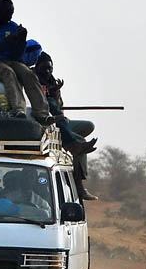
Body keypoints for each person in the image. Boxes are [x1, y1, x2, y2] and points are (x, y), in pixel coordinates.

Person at [0, 0, 53, 124]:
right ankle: (18, 109)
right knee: (8, 72)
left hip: (11, 60)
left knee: (28, 73)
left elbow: (17, 56)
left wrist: (21, 41)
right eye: (8, 13)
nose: (10, 17)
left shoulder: (13, 26)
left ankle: (42, 113)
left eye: (12, 13)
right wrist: (4, 42)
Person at [33, 51, 99, 201]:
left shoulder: (52, 80)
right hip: (43, 123)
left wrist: (55, 92)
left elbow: (59, 107)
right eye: (44, 68)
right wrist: (48, 93)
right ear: (37, 67)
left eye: (50, 68)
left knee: (88, 126)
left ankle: (72, 143)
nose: (47, 71)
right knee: (80, 142)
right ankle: (79, 186)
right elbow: (38, 104)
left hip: (59, 123)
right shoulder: (31, 78)